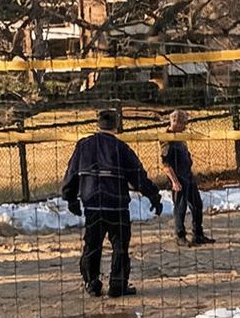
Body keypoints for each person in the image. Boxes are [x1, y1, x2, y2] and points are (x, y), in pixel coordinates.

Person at [61, 107, 162, 297]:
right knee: (120, 245)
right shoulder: (121, 148)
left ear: (98, 125)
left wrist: (70, 197)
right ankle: (117, 284)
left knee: (92, 244)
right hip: (116, 204)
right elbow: (137, 175)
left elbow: (72, 173)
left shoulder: (83, 145)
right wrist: (153, 195)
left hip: (92, 203)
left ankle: (92, 282)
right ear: (116, 126)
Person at [160, 110, 213, 246]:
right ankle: (180, 236)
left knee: (197, 204)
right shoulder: (167, 138)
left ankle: (198, 234)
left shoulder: (180, 136)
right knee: (180, 207)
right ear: (175, 122)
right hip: (178, 176)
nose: (185, 126)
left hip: (188, 175)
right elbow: (165, 164)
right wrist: (174, 181)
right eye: (183, 123)